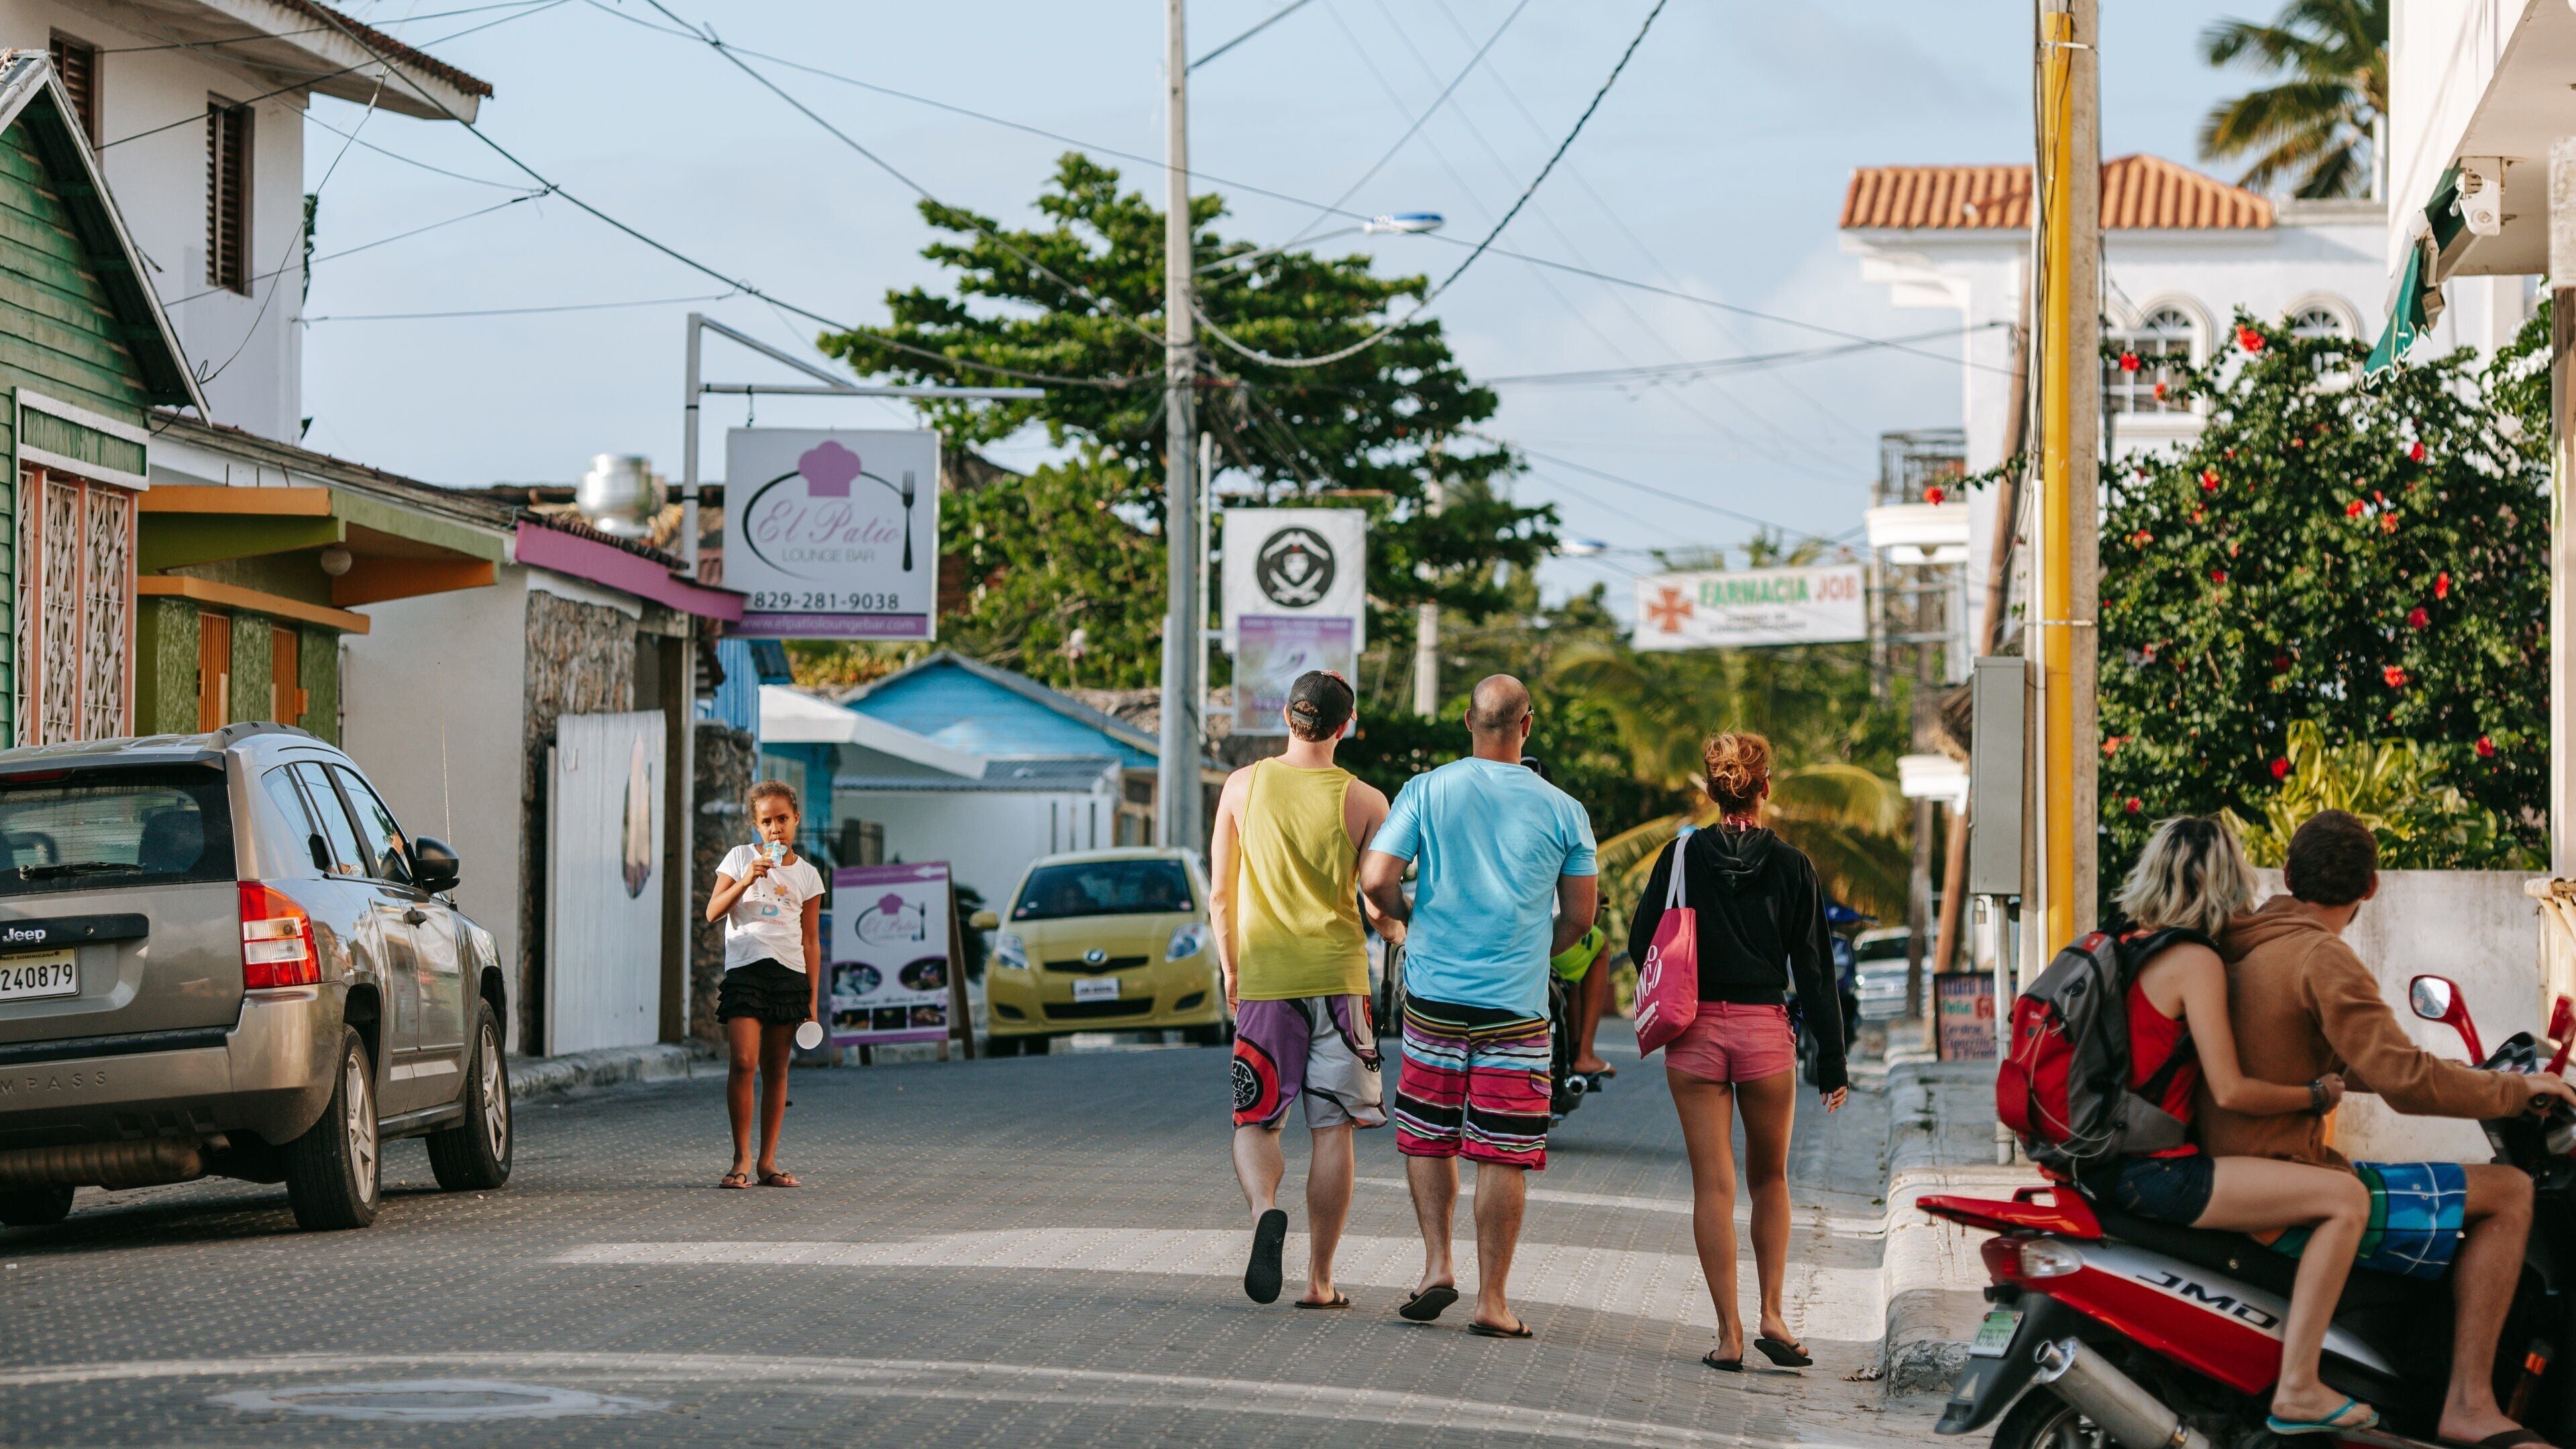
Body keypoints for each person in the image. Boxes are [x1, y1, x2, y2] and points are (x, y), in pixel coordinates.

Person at [2209, 809, 2576, 1449]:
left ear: (2289, 874)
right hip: (2287, 1184)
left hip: (2233, 1172)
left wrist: (2462, 1075)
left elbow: (2360, 1063)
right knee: (2511, 1191)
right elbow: (2405, 1083)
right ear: (2370, 888)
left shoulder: (2251, 942)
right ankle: (2470, 1402)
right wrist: (2516, 1088)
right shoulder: (2323, 958)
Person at [2079, 816, 2373, 1438]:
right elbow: (2233, 1091)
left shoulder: (2126, 945)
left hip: (2103, 1167)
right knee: (2346, 1199)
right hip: (2157, 1175)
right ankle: (2298, 1387)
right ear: (2226, 882)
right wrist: (2315, 1094)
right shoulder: (2195, 962)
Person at [1357, 675, 1598, 1339]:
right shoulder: (1564, 809)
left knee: (1430, 1135)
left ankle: (1437, 1265)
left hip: (1435, 997)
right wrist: (1532, 950)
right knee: (1503, 1153)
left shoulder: (1428, 789)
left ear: (1469, 721)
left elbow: (1376, 879)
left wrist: (1407, 927)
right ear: (1527, 725)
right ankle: (1494, 1301)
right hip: (1515, 1007)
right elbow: (1581, 915)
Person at [1624, 731, 1846, 1373]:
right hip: (1763, 1033)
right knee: (1769, 1179)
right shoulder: (1793, 865)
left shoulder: (1682, 855)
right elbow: (1813, 969)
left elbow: (1644, 941)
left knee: (1713, 1188)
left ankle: (1729, 1335)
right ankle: (1774, 1312)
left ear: (1712, 788)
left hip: (1692, 1033)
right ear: (1765, 786)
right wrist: (1830, 1061)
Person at [1206, 671, 1392, 1309]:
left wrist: (1232, 969)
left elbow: (1220, 896)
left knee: (1257, 1120)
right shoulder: (1367, 801)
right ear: (1347, 726)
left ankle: (1264, 1213)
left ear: (1287, 715)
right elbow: (1376, 898)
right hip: (1340, 982)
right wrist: (1398, 930)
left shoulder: (1242, 786)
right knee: (1332, 1128)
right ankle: (1319, 1281)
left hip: (1266, 980)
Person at [705, 780, 826, 1190]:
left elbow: (811, 940)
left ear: (795, 821)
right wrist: (746, 880)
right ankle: (740, 1156)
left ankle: (767, 1161)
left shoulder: (808, 876)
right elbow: (712, 912)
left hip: (789, 975)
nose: (776, 829)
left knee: (777, 1069)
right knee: (743, 1061)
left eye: (782, 820)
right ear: (756, 826)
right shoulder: (739, 858)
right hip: (746, 969)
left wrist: (811, 1000)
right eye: (766, 822)